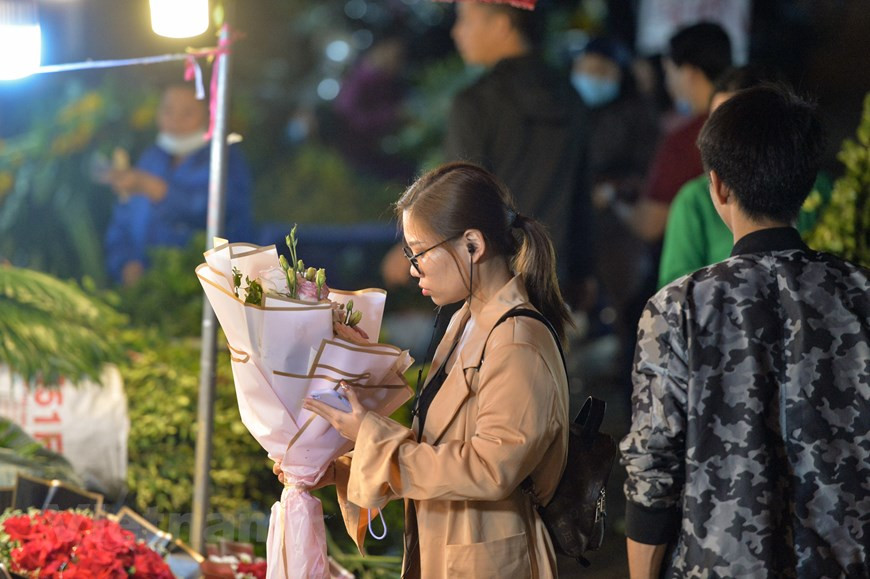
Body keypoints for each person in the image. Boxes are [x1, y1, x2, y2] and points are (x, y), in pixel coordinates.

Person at [620, 85, 870, 577]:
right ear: (806, 183)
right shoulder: (860, 293)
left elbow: (653, 475)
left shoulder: (678, 308)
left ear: (718, 187)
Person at [295, 162, 571, 578]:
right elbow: (437, 446)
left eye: (418, 252)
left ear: (473, 245)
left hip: (490, 561)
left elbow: (489, 469)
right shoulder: (467, 319)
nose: (411, 269)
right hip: (450, 545)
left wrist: (370, 435)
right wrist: (336, 466)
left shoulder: (516, 341)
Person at [445, 1, 593, 307]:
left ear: (501, 25)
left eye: (465, 20)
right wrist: (583, 272)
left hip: (490, 281)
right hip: (554, 276)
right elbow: (582, 193)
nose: (456, 32)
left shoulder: (475, 103)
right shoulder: (570, 96)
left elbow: (459, 198)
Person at [657, 65, 832, 288]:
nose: (723, 143)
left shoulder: (684, 305)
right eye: (715, 124)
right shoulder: (857, 288)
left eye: (736, 129)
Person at [103, 84, 253, 286]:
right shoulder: (151, 159)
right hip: (147, 287)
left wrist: (157, 190)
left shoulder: (225, 160)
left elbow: (221, 212)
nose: (175, 120)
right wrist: (125, 263)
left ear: (210, 115)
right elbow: (123, 219)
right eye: (168, 111)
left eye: (187, 113)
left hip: (206, 288)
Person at [600, 21, 732, 243]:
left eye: (670, 72)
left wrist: (613, 198)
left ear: (690, 72)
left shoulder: (686, 140)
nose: (669, 83)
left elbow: (649, 224)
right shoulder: (742, 124)